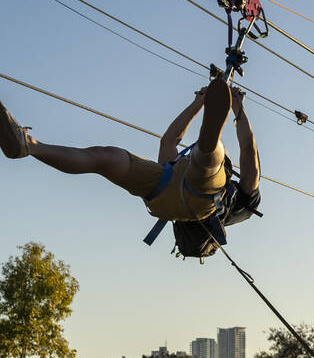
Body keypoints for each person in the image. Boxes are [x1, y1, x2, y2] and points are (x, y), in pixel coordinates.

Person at [0, 77, 260, 245]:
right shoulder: (238, 200)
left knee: (208, 159)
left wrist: (210, 105)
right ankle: (29, 147)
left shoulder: (243, 203)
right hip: (164, 204)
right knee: (108, 159)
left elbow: (247, 152)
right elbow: (171, 144)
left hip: (197, 200)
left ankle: (210, 138)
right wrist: (212, 103)